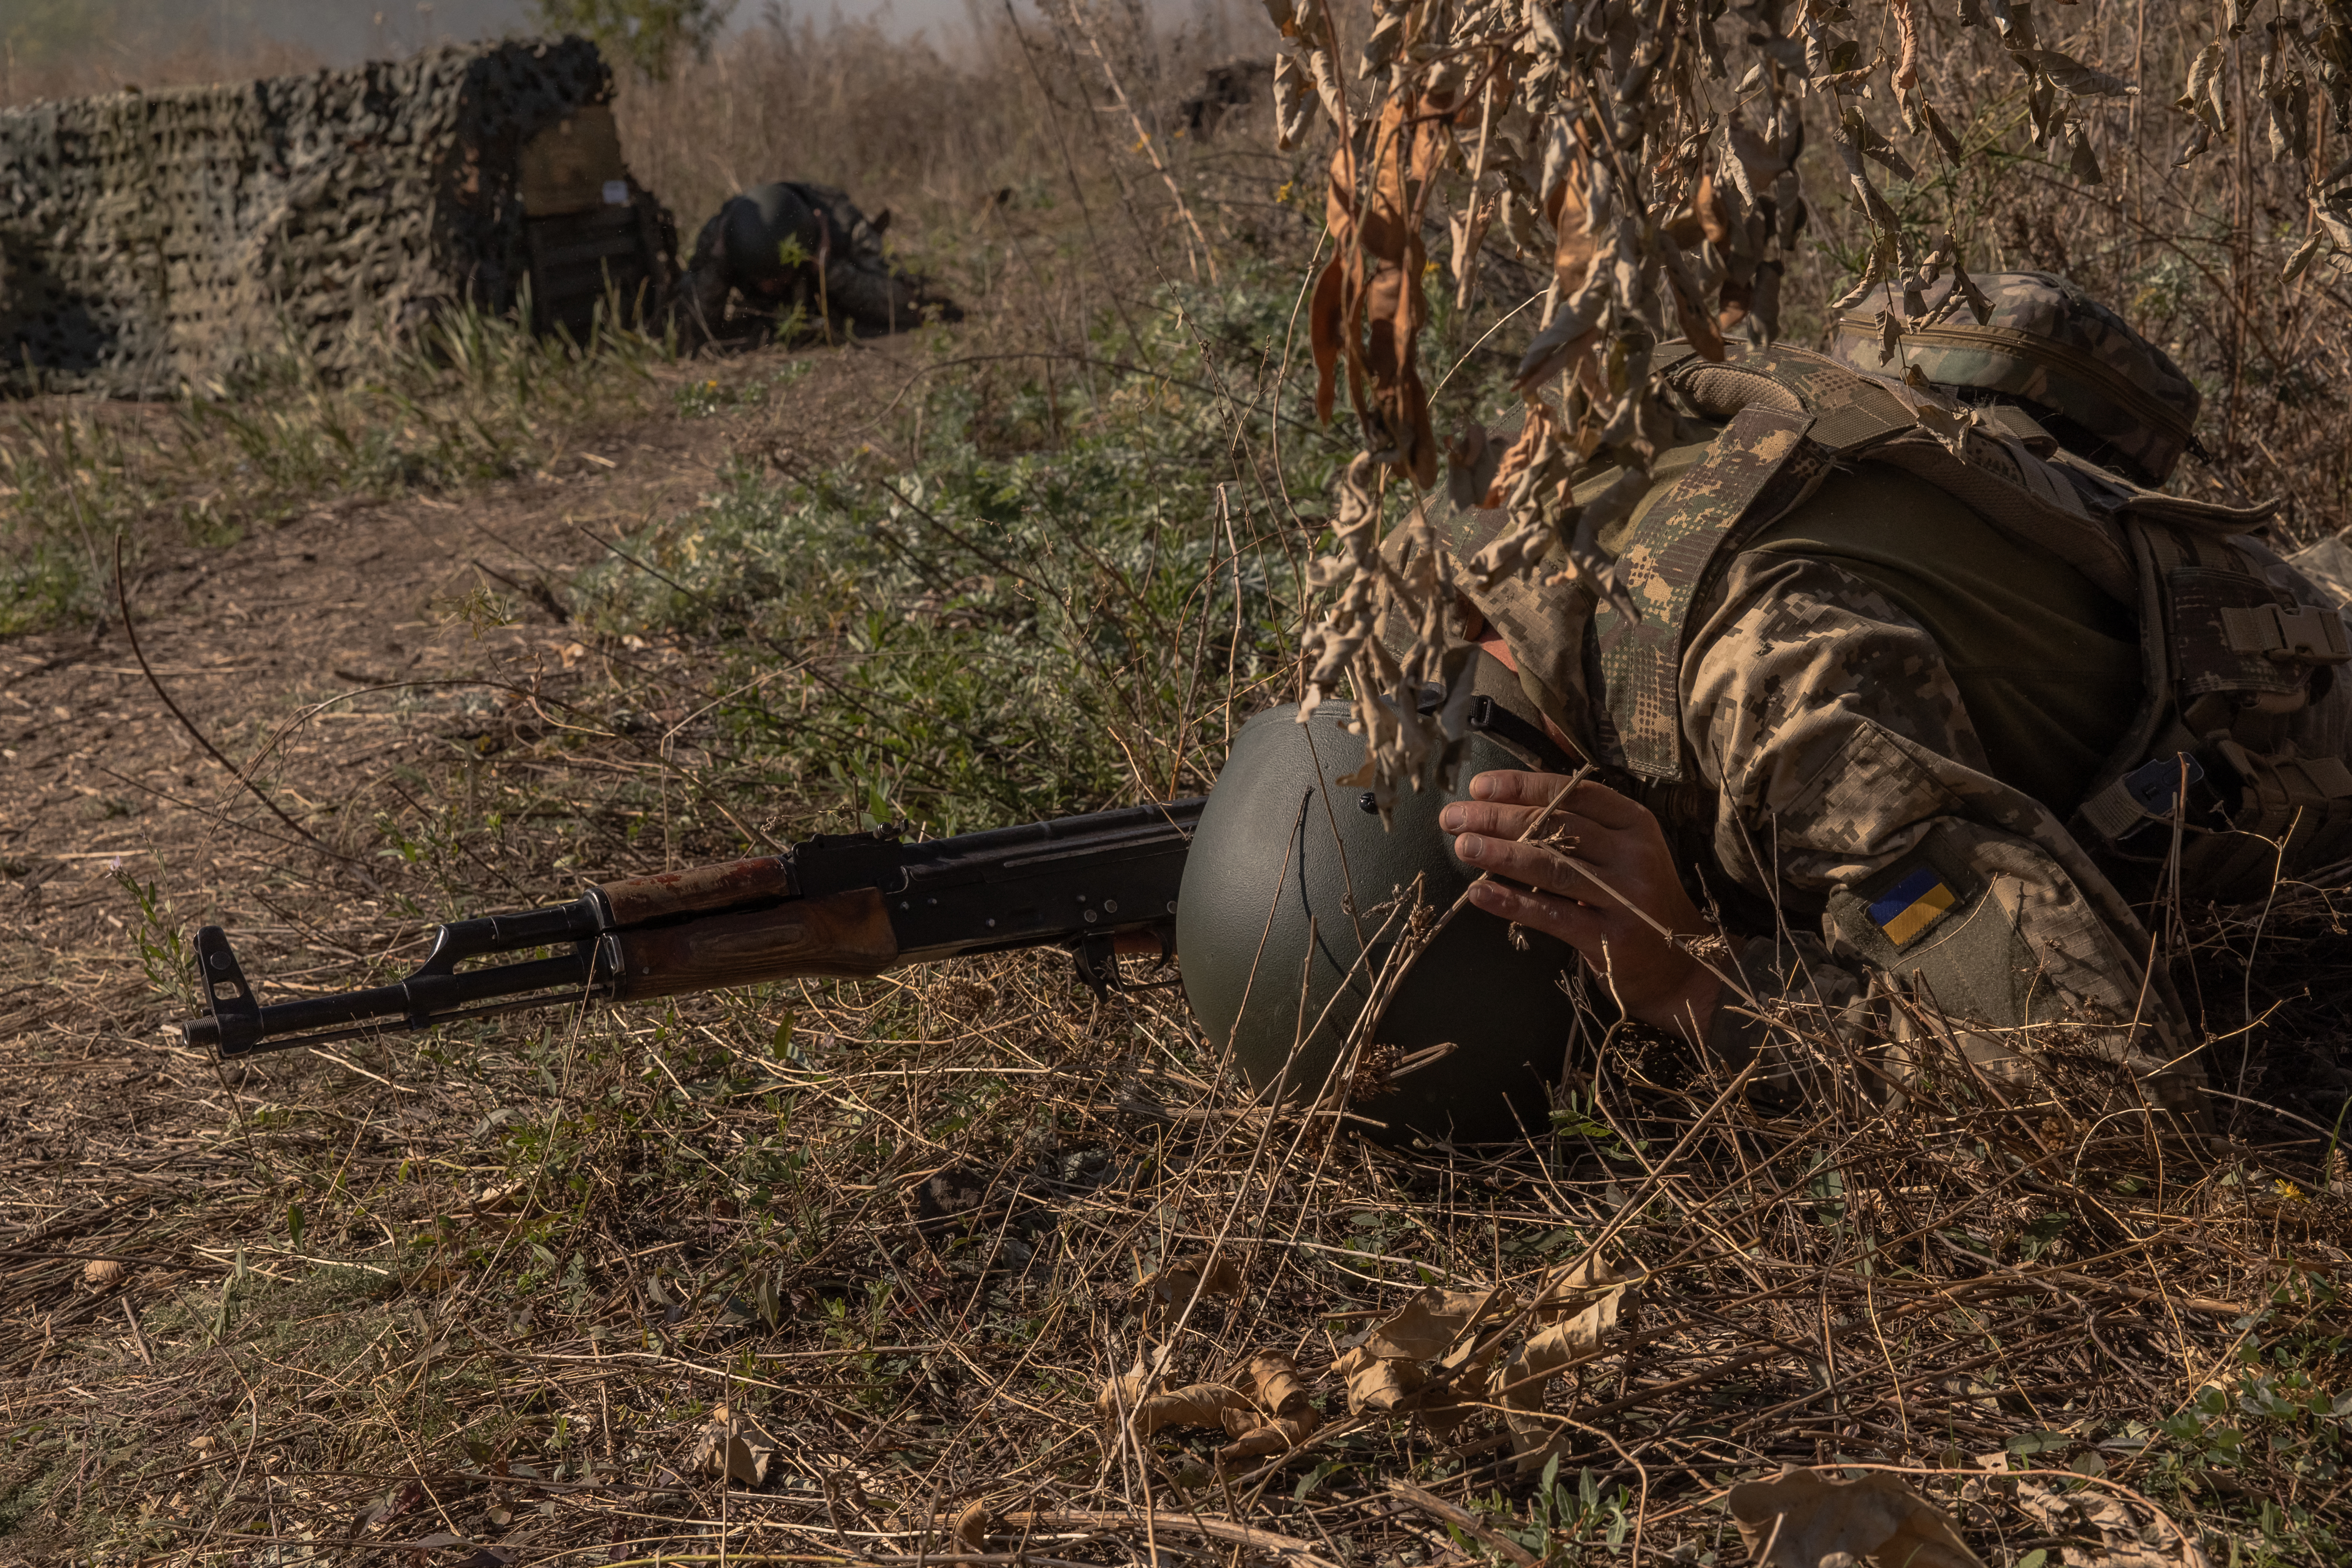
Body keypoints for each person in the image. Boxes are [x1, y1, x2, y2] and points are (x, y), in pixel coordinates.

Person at [1410, 272, 2352, 1130]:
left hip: (2278, 699)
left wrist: (1697, 979)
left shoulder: (1786, 705)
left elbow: (2103, 1090)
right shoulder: (1467, 509)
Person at [674, 180, 956, 344]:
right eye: (759, 278)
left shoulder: (842, 224)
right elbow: (685, 334)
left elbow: (905, 308)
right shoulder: (725, 235)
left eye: (779, 276)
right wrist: (719, 269)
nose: (769, 287)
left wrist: (828, 269)